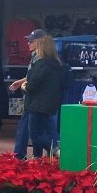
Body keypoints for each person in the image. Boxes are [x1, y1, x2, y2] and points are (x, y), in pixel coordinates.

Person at [10, 29, 63, 158]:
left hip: (36, 103)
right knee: (45, 132)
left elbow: (33, 83)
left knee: (36, 134)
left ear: (40, 42)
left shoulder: (41, 62)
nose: (28, 43)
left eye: (31, 41)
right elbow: (34, 77)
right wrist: (22, 81)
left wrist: (23, 86)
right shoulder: (51, 61)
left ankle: (56, 152)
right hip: (45, 103)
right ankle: (38, 158)